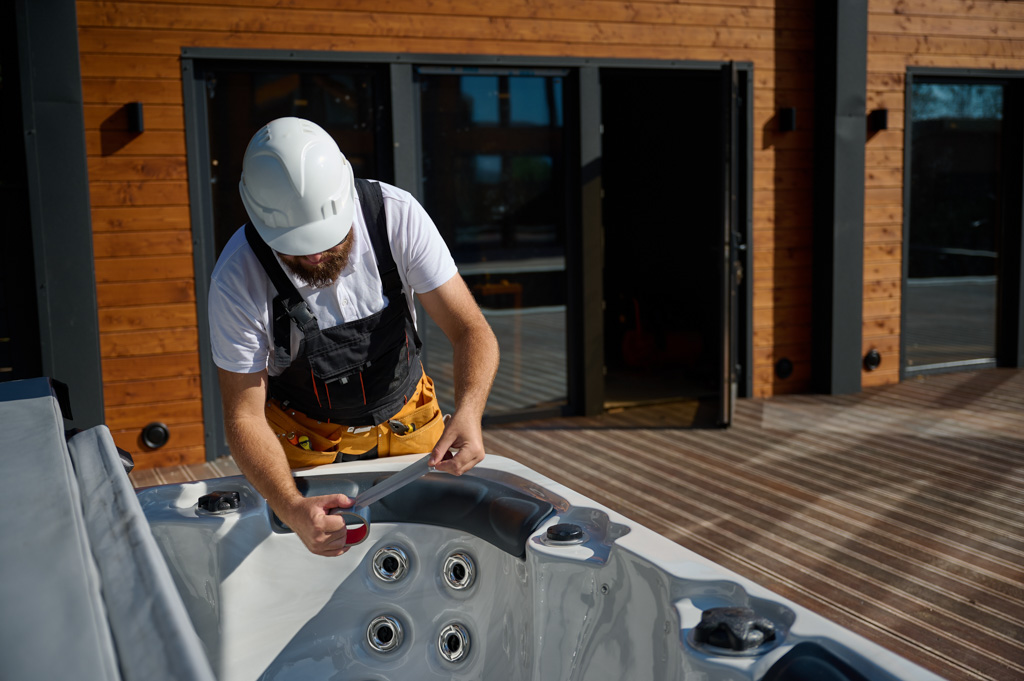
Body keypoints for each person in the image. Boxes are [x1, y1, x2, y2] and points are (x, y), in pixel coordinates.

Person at [208, 117, 499, 557]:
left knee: (436, 550)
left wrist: (471, 410)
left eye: (326, 237)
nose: (315, 254)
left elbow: (470, 328)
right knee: (308, 561)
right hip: (305, 439)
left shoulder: (393, 215)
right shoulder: (237, 279)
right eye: (296, 247)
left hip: (411, 422)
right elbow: (244, 416)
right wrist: (290, 506)